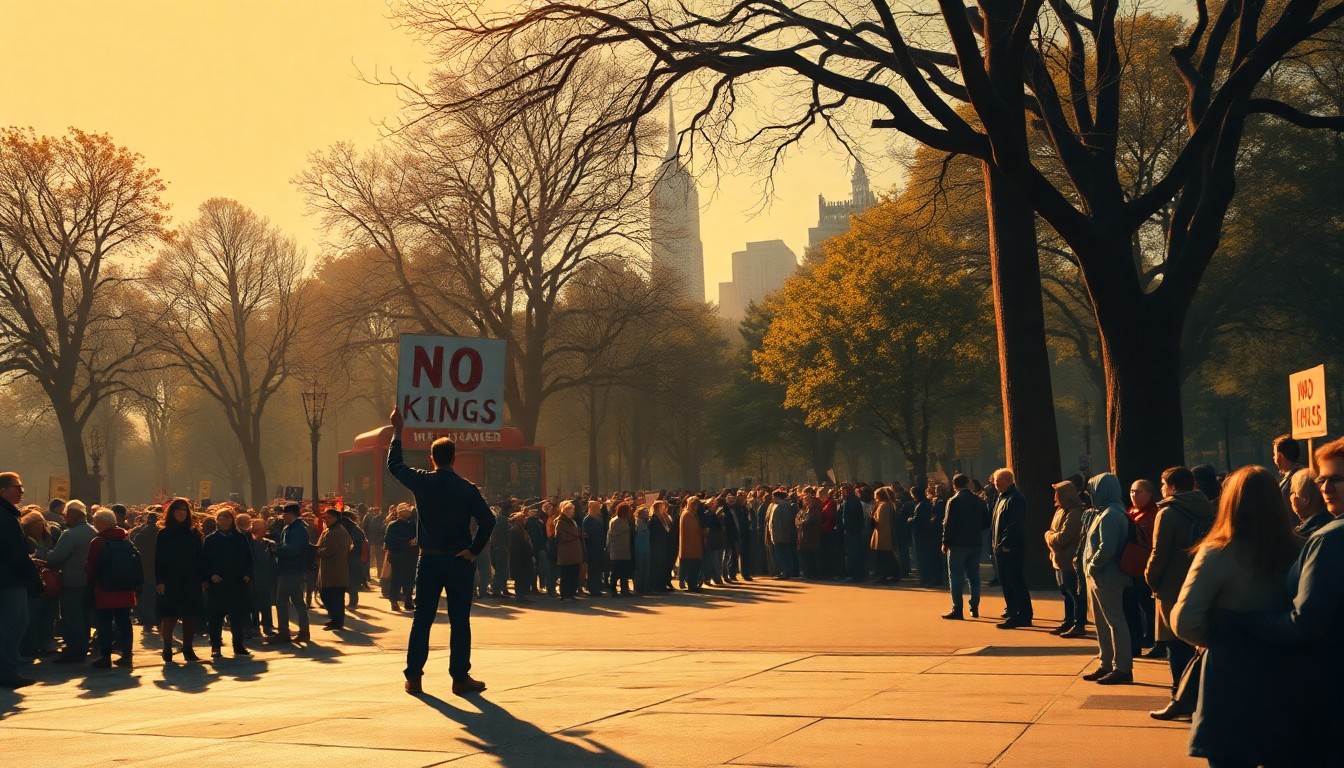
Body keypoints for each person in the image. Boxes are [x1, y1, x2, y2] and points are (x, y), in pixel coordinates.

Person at [1171, 465, 1304, 767]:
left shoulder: (1218, 553)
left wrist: (1216, 637)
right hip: (1286, 669)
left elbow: (1185, 619)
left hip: (1231, 674)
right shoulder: (1301, 548)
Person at [387, 407, 495, 697]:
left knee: (422, 618)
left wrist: (398, 431)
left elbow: (394, 465)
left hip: (430, 558)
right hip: (459, 559)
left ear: (431, 459)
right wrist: (474, 550)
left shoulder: (422, 481)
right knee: (460, 620)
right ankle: (460, 677)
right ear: (454, 458)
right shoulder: (467, 489)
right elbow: (489, 520)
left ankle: (414, 677)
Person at [1145, 466, 1215, 720]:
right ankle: (1198, 695)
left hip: (1172, 584)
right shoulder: (1208, 507)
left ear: (1172, 487)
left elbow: (1158, 553)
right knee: (1198, 642)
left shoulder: (1167, 513)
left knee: (1174, 642)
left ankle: (1179, 695)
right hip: (1201, 581)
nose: (1162, 489)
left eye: (1163, 484)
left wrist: (1150, 579)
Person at [1081, 473, 1133, 685]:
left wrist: (1092, 565)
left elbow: (1107, 546)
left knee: (1114, 622)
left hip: (1106, 576)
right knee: (1103, 623)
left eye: (1093, 489)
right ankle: (1106, 663)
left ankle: (1122, 667)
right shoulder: (1106, 512)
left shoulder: (1111, 514)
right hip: (1100, 576)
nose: (1090, 494)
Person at [85, 507, 139, 669]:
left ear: (103, 523)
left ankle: (105, 656)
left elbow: (91, 567)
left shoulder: (98, 542)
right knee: (124, 622)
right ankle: (127, 655)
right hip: (126, 589)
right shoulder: (125, 539)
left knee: (105, 623)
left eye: (96, 520)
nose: (94, 523)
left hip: (105, 589)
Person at [1, 473, 40, 689]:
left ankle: (9, 667)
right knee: (12, 624)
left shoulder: (9, 515)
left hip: (11, 577)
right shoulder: (5, 516)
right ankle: (7, 671)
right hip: (10, 578)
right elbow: (13, 549)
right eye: (18, 486)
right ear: (3, 490)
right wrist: (28, 551)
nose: (22, 490)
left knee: (17, 622)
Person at [45, 499, 96, 662]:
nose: (64, 517)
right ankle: (82, 647)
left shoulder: (70, 534)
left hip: (72, 582)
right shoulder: (93, 530)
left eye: (66, 514)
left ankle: (74, 650)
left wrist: (45, 554)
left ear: (74, 515)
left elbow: (55, 558)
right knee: (85, 617)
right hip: (89, 581)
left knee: (72, 617)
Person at [155, 498, 204, 663]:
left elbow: (200, 558)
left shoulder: (194, 533)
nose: (181, 513)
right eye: (178, 510)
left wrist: (203, 579)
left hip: (191, 579)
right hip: (170, 579)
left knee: (190, 616)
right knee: (170, 615)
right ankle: (167, 647)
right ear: (172, 513)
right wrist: (159, 581)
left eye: (184, 510)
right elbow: (158, 559)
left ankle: (188, 649)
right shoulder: (164, 533)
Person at [201, 507, 254, 656]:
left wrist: (247, 573)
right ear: (217, 521)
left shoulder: (240, 538)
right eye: (222, 519)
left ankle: (238, 645)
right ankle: (216, 647)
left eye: (228, 519)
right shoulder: (211, 539)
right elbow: (204, 562)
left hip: (236, 582)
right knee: (215, 618)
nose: (225, 522)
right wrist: (210, 575)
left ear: (232, 521)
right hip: (218, 584)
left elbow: (248, 558)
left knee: (237, 617)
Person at [942, 473, 989, 619]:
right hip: (975, 542)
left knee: (956, 576)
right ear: (968, 483)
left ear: (954, 484)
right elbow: (986, 522)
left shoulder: (953, 501)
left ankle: (957, 609)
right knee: (974, 576)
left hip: (957, 544)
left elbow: (948, 524)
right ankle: (974, 607)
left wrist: (945, 541)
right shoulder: (979, 501)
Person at [991, 469, 1033, 628]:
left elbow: (1014, 525)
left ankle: (1022, 615)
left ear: (1008, 481)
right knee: (1006, 582)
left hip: (1010, 549)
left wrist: (1005, 544)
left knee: (1015, 582)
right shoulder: (1002, 498)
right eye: (995, 480)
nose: (996, 483)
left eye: (999, 480)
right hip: (1000, 548)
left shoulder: (1016, 499)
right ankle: (1013, 611)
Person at [266, 502, 311, 644]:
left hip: (293, 570)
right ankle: (284, 630)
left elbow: (293, 550)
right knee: (282, 602)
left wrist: (277, 549)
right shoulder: (290, 528)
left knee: (296, 601)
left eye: (284, 514)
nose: (282, 517)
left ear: (291, 514)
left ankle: (302, 631)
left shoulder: (298, 529)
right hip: (287, 569)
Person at [1044, 480, 1085, 634]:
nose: (1055, 497)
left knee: (1073, 593)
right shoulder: (1060, 510)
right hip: (1058, 559)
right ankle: (1068, 621)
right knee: (1065, 592)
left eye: (1058, 493)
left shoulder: (1074, 513)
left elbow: (1063, 536)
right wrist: (1051, 536)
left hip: (1068, 560)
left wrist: (1048, 536)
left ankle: (1077, 624)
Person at [1124, 479, 1160, 659]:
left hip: (1146, 566)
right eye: (1131, 491)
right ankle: (1142, 637)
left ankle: (1154, 637)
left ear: (1149, 494)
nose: (1133, 495)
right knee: (1135, 605)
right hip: (1132, 566)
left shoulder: (1155, 514)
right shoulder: (1129, 512)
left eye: (1138, 491)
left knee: (1148, 605)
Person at [316, 507, 352, 631]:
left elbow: (329, 550)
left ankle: (337, 622)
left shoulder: (338, 532)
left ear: (335, 518)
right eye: (325, 517)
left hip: (336, 571)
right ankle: (335, 620)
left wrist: (316, 551)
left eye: (328, 517)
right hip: (329, 570)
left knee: (334, 597)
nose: (325, 519)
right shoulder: (330, 530)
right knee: (328, 595)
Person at [246, 517, 277, 637]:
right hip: (253, 576)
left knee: (266, 603)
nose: (262, 531)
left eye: (263, 528)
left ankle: (267, 625)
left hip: (265, 576)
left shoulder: (267, 543)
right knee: (254, 603)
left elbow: (272, 560)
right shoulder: (249, 542)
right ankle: (255, 626)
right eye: (258, 528)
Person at [384, 504, 417, 611]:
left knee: (406, 579)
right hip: (399, 556)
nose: (406, 514)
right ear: (399, 514)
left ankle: (406, 600)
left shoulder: (412, 525)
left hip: (407, 556)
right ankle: (395, 601)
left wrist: (414, 543)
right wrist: (407, 543)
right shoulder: (393, 525)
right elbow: (389, 542)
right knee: (398, 579)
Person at [130, 512, 159, 630]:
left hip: (144, 566)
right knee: (155, 593)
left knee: (145, 594)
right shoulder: (161, 533)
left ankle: (146, 617)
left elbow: (135, 550)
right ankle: (154, 616)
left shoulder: (141, 534)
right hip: (156, 566)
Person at [1288, 468, 1332, 538]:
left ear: (1306, 499)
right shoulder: (1330, 521)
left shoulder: (1304, 535)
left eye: (1294, 493)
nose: (1291, 498)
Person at [554, 501, 583, 600]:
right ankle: (565, 593)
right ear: (567, 511)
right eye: (572, 509)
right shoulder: (561, 522)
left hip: (575, 553)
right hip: (566, 553)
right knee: (566, 574)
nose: (573, 511)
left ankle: (571, 592)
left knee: (574, 574)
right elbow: (559, 537)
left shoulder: (573, 521)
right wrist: (574, 536)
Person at [869, 487, 899, 584]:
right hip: (886, 532)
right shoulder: (889, 504)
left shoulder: (883, 505)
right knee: (887, 555)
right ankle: (893, 575)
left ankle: (883, 576)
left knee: (882, 556)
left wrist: (872, 516)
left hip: (882, 533)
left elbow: (879, 520)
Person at [765, 489, 797, 579]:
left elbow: (783, 523)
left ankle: (786, 572)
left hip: (780, 536)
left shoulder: (782, 507)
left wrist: (777, 536)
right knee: (783, 555)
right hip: (780, 535)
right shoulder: (782, 506)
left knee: (782, 555)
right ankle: (785, 571)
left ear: (777, 497)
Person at [607, 502, 635, 596]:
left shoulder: (625, 520)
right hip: (617, 551)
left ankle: (624, 589)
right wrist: (625, 529)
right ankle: (612, 589)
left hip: (625, 551)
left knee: (625, 572)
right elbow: (613, 533)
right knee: (616, 572)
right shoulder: (615, 521)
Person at [679, 496, 705, 592]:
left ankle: (693, 584)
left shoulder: (691, 513)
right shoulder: (688, 514)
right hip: (691, 546)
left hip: (693, 545)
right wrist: (702, 532)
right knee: (692, 566)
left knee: (694, 566)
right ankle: (691, 584)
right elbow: (692, 530)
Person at [507, 511, 535, 603]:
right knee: (520, 577)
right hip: (519, 559)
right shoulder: (514, 531)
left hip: (525, 558)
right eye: (522, 519)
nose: (524, 521)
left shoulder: (522, 530)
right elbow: (515, 546)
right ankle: (520, 596)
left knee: (525, 576)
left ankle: (523, 595)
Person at [1272, 434, 1305, 503]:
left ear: (1279, 456)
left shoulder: (1288, 483)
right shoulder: (1303, 475)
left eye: (1274, 454)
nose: (1273, 457)